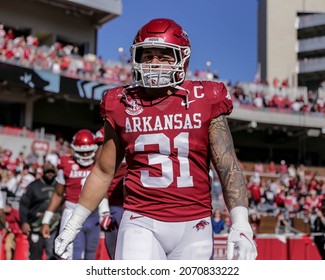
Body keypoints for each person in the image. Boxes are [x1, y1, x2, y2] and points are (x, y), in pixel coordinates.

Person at [54, 18, 257, 260]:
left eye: (164, 56)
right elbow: (103, 170)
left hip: (195, 223)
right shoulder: (120, 102)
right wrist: (73, 223)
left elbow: (227, 165)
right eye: (147, 56)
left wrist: (241, 222)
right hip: (141, 219)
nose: (154, 63)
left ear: (182, 58)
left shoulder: (205, 98)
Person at [41, 129, 100, 260]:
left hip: (93, 214)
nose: (85, 154)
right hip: (72, 212)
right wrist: (46, 220)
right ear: (74, 149)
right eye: (81, 152)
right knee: (71, 256)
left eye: (88, 151)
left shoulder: (99, 163)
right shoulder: (66, 164)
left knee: (91, 256)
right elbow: (58, 194)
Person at [94, 126, 126, 259]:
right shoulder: (105, 131)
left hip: (135, 205)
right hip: (115, 205)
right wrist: (104, 211)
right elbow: (100, 177)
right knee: (116, 253)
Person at [19, 162, 61, 260]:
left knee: (53, 256)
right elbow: (23, 205)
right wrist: (24, 222)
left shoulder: (59, 186)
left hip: (54, 227)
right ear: (43, 172)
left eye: (52, 172)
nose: (50, 174)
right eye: (47, 172)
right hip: (35, 227)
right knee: (35, 256)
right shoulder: (33, 186)